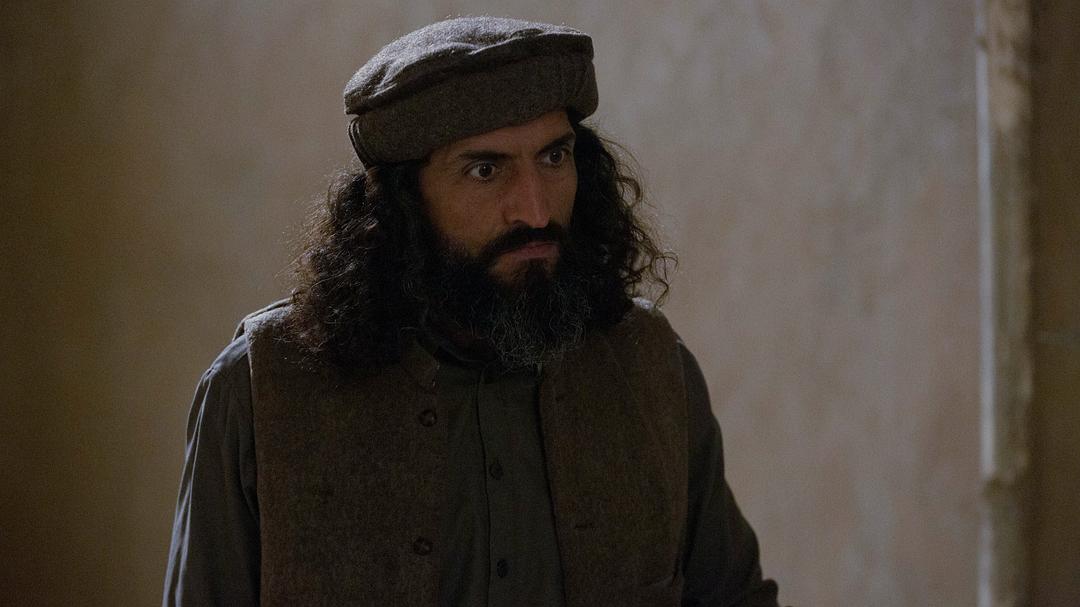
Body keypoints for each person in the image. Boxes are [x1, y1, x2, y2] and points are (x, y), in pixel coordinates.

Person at [163, 16, 781, 607]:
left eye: (554, 158)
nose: (535, 210)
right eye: (486, 170)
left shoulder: (650, 367)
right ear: (402, 203)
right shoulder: (260, 389)